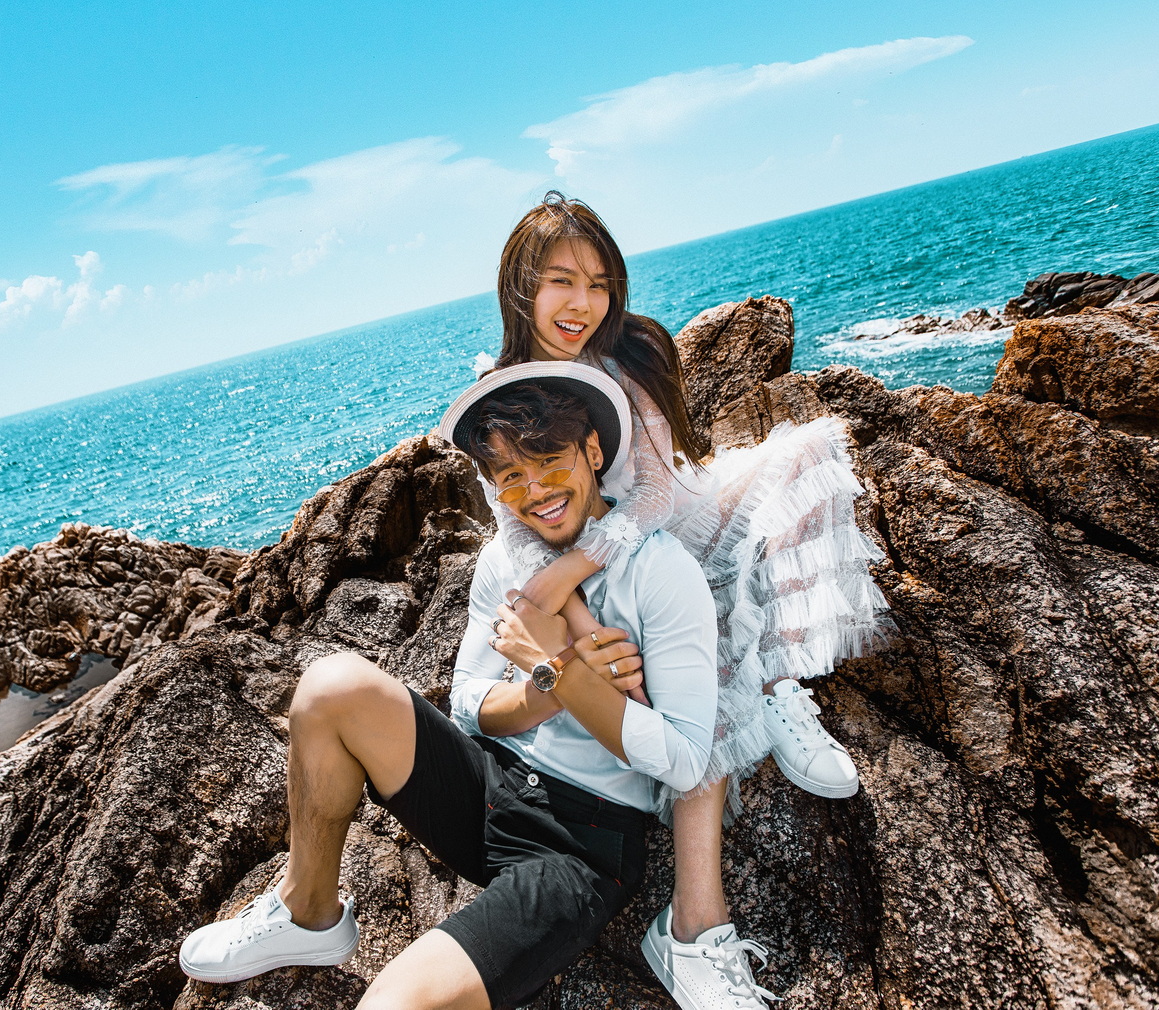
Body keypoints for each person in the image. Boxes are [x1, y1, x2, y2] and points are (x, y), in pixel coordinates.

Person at [179, 368, 778, 1009]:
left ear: (593, 451)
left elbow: (685, 760)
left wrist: (556, 663)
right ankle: (308, 913)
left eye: (550, 462)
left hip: (579, 845)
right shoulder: (505, 560)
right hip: (488, 783)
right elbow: (468, 702)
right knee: (332, 686)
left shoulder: (659, 573)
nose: (536, 491)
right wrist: (552, 682)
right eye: (511, 476)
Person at [476, 192, 893, 1009]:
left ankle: (774, 688)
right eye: (562, 281)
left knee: (802, 463)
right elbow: (513, 522)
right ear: (520, 286)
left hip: (660, 525)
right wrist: (579, 619)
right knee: (684, 646)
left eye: (599, 284)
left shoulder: (625, 355)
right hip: (611, 572)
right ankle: (694, 929)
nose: (583, 304)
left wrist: (574, 568)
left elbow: (658, 494)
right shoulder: (498, 387)